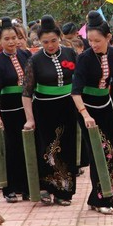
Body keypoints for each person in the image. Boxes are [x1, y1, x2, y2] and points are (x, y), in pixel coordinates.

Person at [71, 11, 113, 215]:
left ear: (108, 38)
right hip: (86, 108)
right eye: (90, 40)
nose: (93, 44)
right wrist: (85, 114)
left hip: (105, 106)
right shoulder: (85, 58)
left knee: (109, 152)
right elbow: (75, 92)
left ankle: (105, 196)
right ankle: (100, 197)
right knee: (97, 152)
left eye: (97, 40)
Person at [22, 15, 79, 206]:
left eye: (53, 40)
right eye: (45, 42)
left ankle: (64, 192)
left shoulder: (70, 54)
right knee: (47, 149)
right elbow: (27, 92)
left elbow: (78, 82)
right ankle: (46, 188)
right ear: (39, 41)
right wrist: (30, 119)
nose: (50, 45)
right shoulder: (35, 60)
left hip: (68, 107)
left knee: (68, 147)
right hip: (44, 109)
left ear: (60, 37)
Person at [0, 17, 32, 202]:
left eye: (14, 37)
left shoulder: (25, 56)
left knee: (27, 148)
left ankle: (27, 186)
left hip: (27, 110)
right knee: (12, 149)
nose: (11, 41)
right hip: (9, 111)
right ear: (0, 41)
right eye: (7, 39)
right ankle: (10, 188)